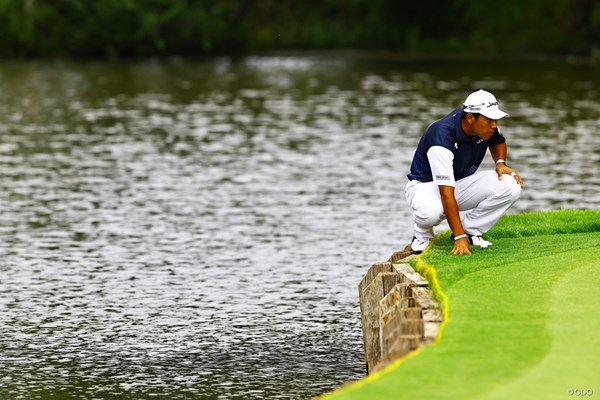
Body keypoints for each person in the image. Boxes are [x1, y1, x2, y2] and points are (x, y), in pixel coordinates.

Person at [405, 89, 523, 255]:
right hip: (425, 185)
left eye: (495, 120)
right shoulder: (441, 137)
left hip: (458, 182)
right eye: (489, 119)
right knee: (430, 213)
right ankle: (421, 234)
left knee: (511, 184)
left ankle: (470, 229)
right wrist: (459, 238)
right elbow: (446, 193)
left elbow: (498, 141)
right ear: (470, 118)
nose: (494, 125)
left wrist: (500, 163)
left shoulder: (483, 127)